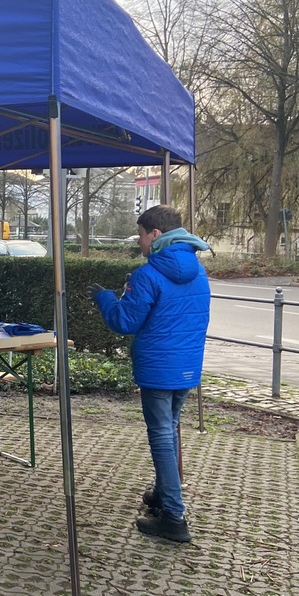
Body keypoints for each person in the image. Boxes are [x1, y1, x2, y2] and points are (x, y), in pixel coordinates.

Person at [86, 205, 210, 544]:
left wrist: (105, 298)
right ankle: (161, 494)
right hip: (186, 367)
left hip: (157, 369)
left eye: (141, 235)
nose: (139, 242)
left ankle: (173, 516)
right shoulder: (198, 272)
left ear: (155, 235)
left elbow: (124, 322)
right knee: (169, 431)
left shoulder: (148, 275)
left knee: (162, 438)